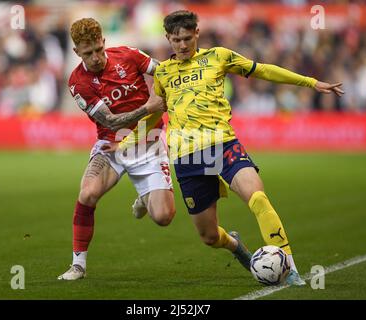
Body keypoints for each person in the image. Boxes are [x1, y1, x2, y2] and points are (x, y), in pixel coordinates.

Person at [120, 10, 344, 286]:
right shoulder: (163, 73)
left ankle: (291, 268)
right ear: (168, 38)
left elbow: (262, 70)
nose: (182, 45)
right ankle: (237, 247)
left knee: (258, 197)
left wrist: (310, 82)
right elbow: (157, 112)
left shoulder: (219, 56)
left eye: (187, 38)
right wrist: (130, 140)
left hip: (222, 144)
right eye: (176, 40)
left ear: (197, 34)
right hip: (186, 157)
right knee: (209, 236)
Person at [58, 18, 176, 280]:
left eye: (99, 49)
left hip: (149, 142)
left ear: (104, 42)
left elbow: (165, 72)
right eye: (88, 54)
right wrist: (149, 107)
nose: (96, 57)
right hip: (112, 145)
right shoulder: (78, 82)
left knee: (164, 217)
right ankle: (78, 265)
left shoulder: (129, 55)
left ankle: (145, 198)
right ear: (77, 52)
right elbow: (110, 120)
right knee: (87, 193)